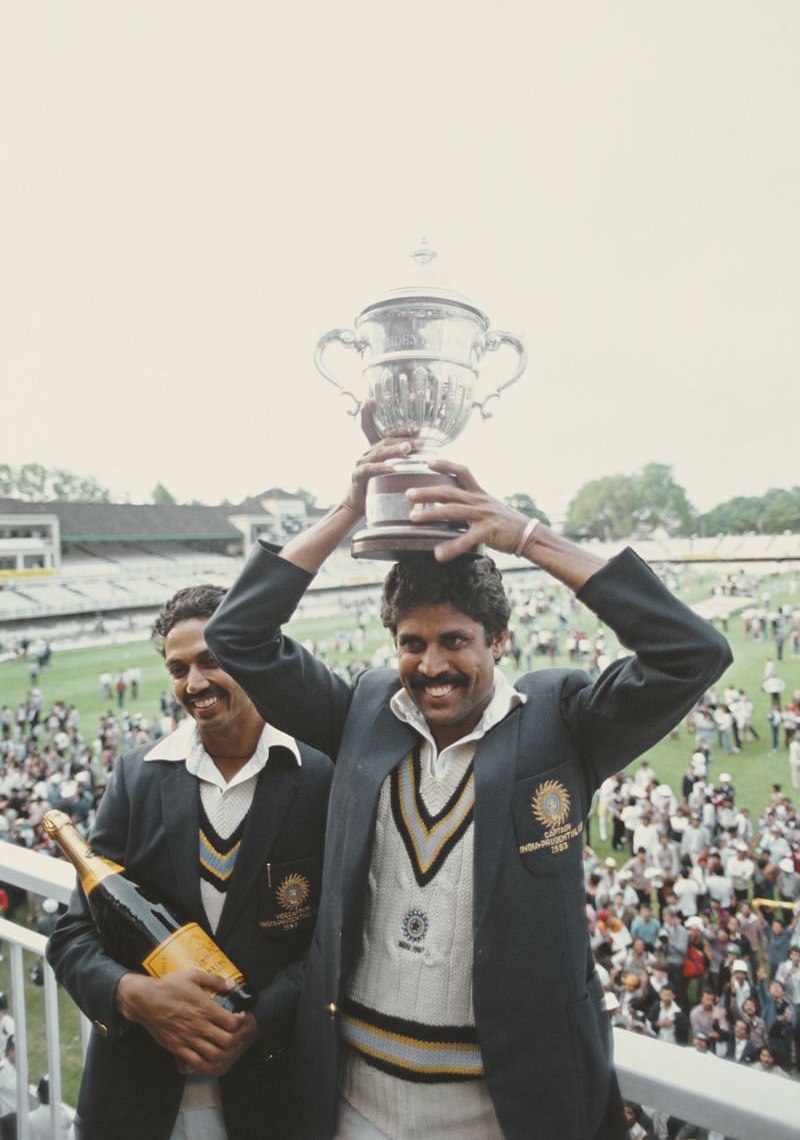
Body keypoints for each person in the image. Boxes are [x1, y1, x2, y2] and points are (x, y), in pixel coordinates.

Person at [206, 434, 732, 1140]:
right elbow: (237, 634)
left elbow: (692, 652)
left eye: (455, 640)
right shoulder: (361, 710)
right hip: (355, 1101)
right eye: (412, 643)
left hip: (501, 1111)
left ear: (499, 640)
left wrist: (526, 536)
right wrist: (344, 512)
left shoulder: (560, 720)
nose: (432, 665)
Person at [46, 584, 333, 1140]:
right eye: (178, 669)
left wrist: (258, 1021)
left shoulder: (317, 775)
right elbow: (74, 933)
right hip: (136, 1098)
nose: (194, 683)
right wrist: (135, 996)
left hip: (269, 1096)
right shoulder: (137, 776)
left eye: (211, 660)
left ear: (250, 656)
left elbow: (331, 940)